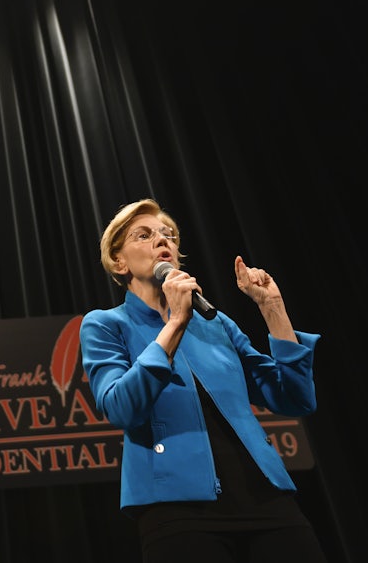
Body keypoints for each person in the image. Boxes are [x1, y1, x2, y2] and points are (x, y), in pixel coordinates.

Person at [79, 198, 327, 562]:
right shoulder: (105, 324)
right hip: (176, 508)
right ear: (119, 263)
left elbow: (295, 397)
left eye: (168, 234)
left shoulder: (215, 322)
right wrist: (175, 323)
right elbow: (121, 408)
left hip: (266, 497)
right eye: (143, 235)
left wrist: (273, 308)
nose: (162, 240)